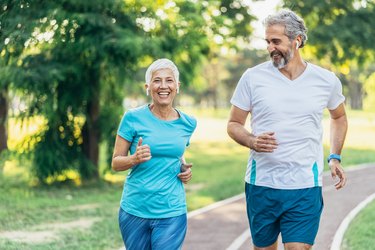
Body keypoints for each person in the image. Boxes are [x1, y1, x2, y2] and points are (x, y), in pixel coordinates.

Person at [227, 9, 348, 250]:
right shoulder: (253, 77)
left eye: (276, 41)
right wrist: (251, 140)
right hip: (262, 184)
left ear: (297, 40)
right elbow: (233, 124)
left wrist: (334, 156)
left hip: (304, 185)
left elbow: (340, 117)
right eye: (267, 42)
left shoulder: (326, 80)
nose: (271, 48)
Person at [112, 58, 197, 250]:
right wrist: (134, 159)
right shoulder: (132, 118)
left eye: (169, 80)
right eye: (157, 80)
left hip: (172, 209)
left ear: (177, 86)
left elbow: (176, 153)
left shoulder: (188, 123)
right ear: (148, 87)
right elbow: (116, 163)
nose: (163, 86)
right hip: (135, 208)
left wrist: (183, 167)